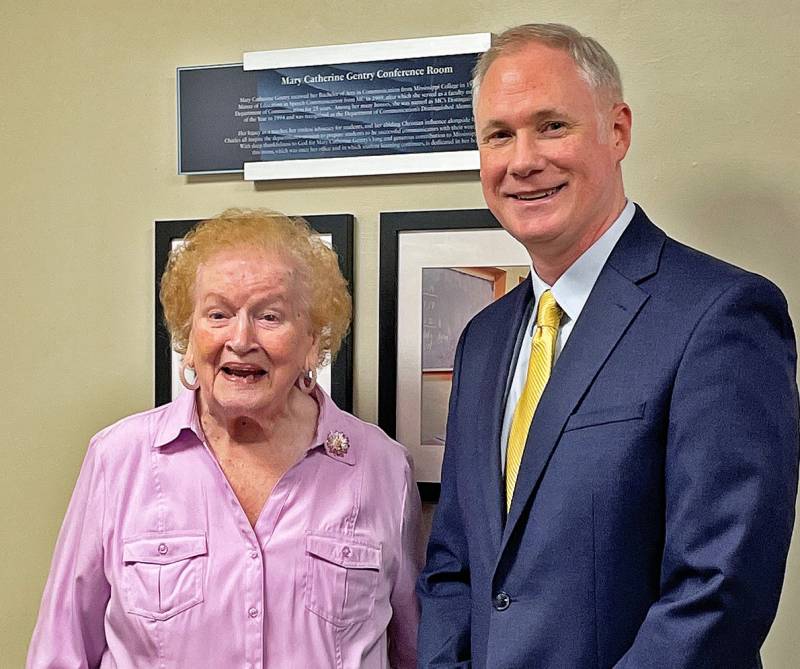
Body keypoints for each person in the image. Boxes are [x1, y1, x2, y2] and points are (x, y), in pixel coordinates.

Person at [417, 23, 799, 668]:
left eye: (552, 126)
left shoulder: (720, 315)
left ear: (617, 131)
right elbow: (454, 562)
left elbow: (718, 590)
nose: (523, 160)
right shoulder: (484, 338)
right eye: (499, 135)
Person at [28, 209, 421, 668]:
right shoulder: (118, 459)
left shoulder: (382, 467)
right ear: (189, 336)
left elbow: (413, 649)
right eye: (217, 314)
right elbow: (61, 650)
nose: (240, 339)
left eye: (269, 316)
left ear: (313, 341)